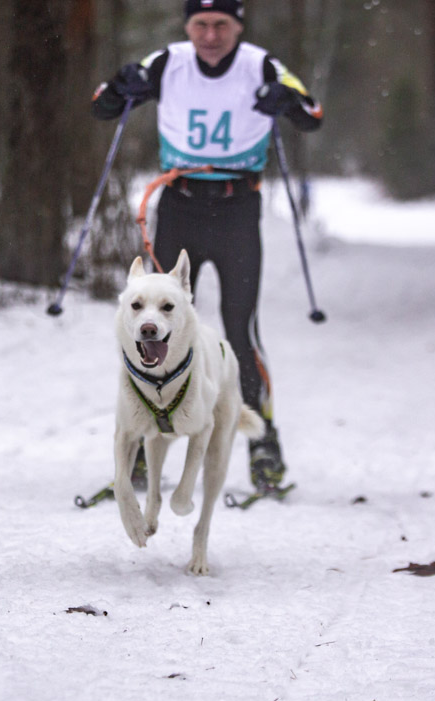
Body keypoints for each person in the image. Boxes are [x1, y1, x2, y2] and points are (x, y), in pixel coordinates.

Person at [91, 0, 322, 491]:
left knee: (240, 330)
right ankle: (136, 444)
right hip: (179, 205)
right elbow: (101, 106)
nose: (211, 35)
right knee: (153, 329)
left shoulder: (259, 65)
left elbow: (312, 113)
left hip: (238, 210)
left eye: (222, 25)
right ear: (187, 26)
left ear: (238, 26)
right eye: (201, 24)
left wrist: (286, 99)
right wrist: (120, 86)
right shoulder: (168, 62)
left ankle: (262, 442)